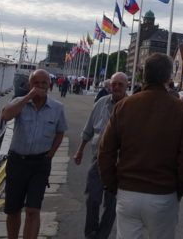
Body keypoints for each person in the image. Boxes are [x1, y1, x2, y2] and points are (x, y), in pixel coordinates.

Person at [98, 53, 183, 239]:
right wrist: (181, 188)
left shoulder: (124, 106)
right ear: (168, 77)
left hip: (128, 191)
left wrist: (112, 184)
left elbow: (105, 150)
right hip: (163, 193)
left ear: (144, 75)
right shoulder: (180, 109)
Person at [1, 69, 67, 239]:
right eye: (36, 83)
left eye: (44, 83)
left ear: (49, 85)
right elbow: (5, 116)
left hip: (40, 164)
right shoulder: (19, 102)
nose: (40, 86)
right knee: (13, 210)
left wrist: (50, 155)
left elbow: (60, 132)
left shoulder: (57, 108)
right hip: (17, 162)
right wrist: (27, 97)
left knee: (32, 210)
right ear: (30, 85)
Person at [73, 72, 129, 239]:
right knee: (92, 198)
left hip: (119, 163)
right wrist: (80, 150)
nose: (116, 87)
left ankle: (102, 235)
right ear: (109, 85)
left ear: (126, 86)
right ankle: (91, 231)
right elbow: (88, 129)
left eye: (120, 84)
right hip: (97, 159)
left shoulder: (132, 106)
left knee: (112, 204)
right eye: (114, 84)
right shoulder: (101, 103)